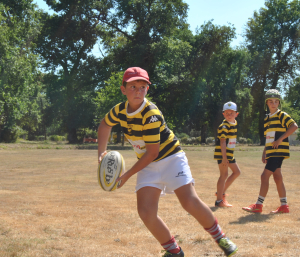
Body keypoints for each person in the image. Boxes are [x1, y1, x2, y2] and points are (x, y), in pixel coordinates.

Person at [98, 67, 238, 257]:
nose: (138, 91)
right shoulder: (119, 111)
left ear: (147, 89)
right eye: (132, 87)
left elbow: (152, 153)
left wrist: (126, 175)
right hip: (147, 163)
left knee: (189, 201)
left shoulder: (151, 113)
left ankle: (221, 238)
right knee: (146, 212)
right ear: (123, 89)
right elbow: (105, 125)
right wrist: (102, 153)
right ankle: (174, 251)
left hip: (171, 158)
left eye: (142, 87)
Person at [242, 89, 298, 214]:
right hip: (272, 152)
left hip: (278, 151)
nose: (273, 103)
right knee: (277, 177)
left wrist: (280, 139)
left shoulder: (282, 115)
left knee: (264, 176)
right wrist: (265, 151)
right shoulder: (267, 119)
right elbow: (269, 137)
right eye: (271, 101)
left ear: (279, 103)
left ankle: (258, 205)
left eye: (276, 101)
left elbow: (294, 126)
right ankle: (284, 206)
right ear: (266, 103)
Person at [214, 102, 241, 207]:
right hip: (223, 154)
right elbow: (222, 142)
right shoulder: (224, 126)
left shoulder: (234, 123)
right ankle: (219, 201)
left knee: (237, 172)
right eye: (227, 113)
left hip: (229, 154)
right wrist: (224, 157)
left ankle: (220, 193)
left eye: (232, 113)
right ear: (223, 114)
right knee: (223, 175)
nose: (229, 115)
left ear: (236, 114)